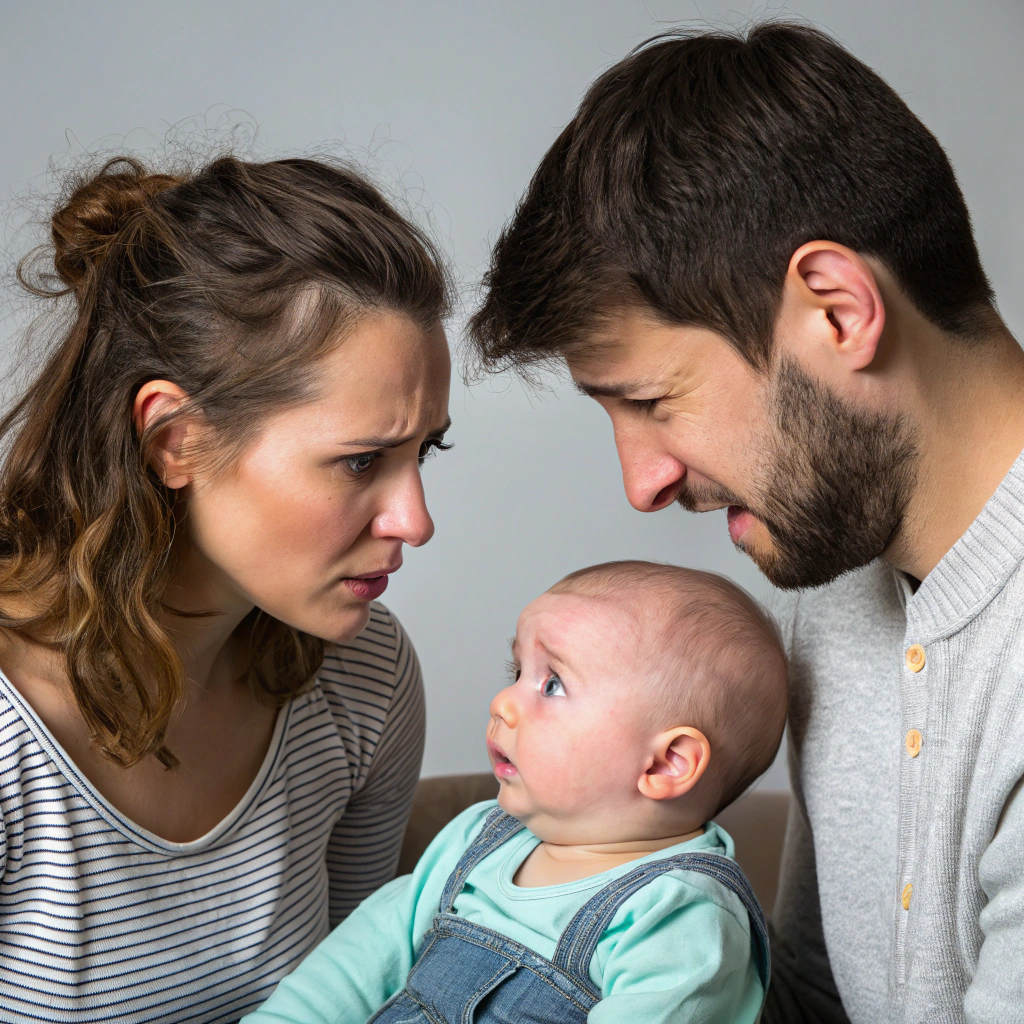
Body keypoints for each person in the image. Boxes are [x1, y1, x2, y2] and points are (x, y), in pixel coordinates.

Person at [467, 22, 1024, 1024]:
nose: (641, 484)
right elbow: (804, 996)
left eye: (652, 401)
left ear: (836, 311)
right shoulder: (840, 579)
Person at [0, 154, 452, 1022]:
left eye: (424, 452)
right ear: (176, 438)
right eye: (361, 460)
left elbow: (361, 999)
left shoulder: (366, 680)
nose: (415, 520)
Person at [242, 561, 787, 1024]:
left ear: (666, 763)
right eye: (516, 670)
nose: (503, 701)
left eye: (552, 684)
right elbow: (357, 964)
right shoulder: (480, 838)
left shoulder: (678, 918)